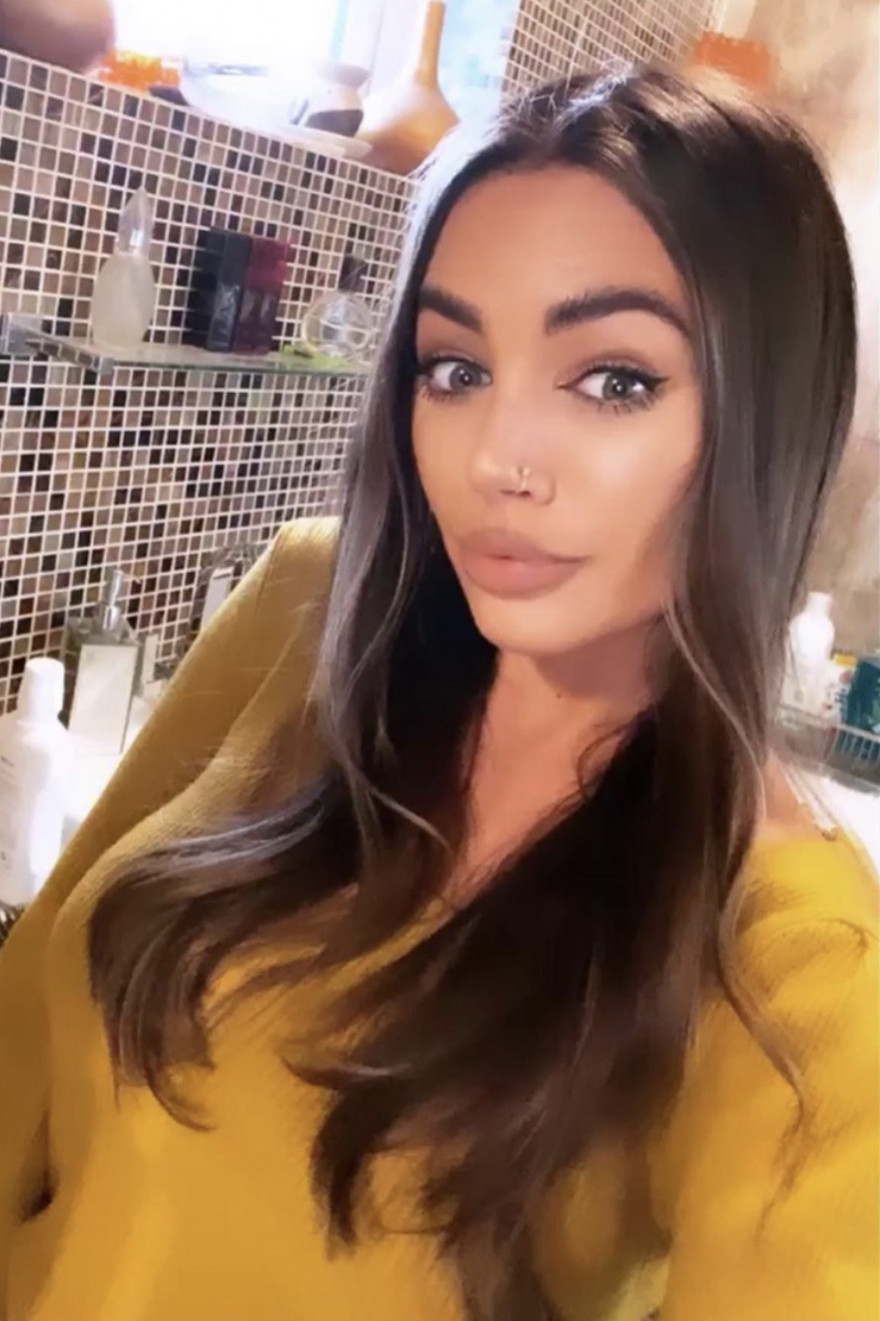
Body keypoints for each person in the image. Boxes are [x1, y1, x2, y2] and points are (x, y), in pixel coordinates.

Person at [0, 66, 876, 1321]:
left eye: (613, 379)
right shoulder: (311, 608)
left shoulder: (799, 959)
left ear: (769, 417)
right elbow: (35, 1000)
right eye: (454, 368)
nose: (495, 459)